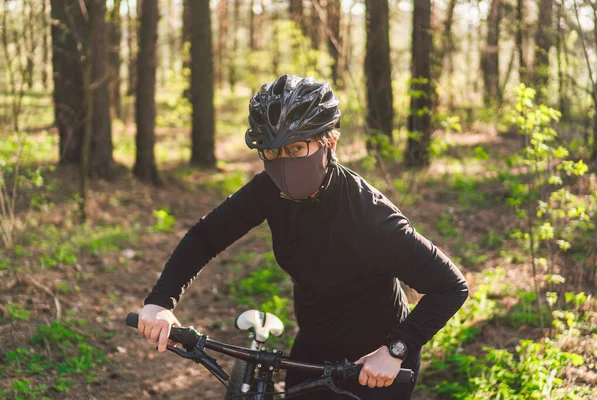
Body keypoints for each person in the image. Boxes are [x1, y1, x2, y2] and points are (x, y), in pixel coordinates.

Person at [136, 74, 469, 399]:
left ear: (329, 143)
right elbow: (206, 236)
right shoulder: (268, 190)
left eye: (296, 148)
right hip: (313, 344)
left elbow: (450, 286)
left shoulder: (370, 216)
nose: (283, 164)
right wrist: (160, 301)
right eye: (271, 151)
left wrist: (396, 350)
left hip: (376, 357)